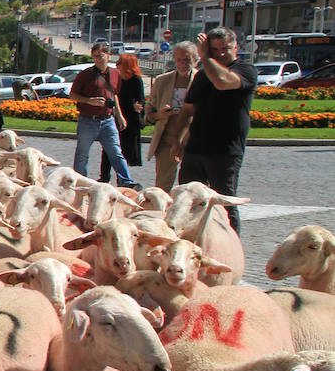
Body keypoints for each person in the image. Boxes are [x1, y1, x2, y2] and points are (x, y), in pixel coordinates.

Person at [176, 27, 256, 231]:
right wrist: (178, 139)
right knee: (187, 199)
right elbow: (187, 110)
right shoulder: (202, 76)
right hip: (195, 148)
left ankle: (231, 246)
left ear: (236, 46)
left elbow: (222, 82)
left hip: (225, 150)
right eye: (215, 49)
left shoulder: (246, 70)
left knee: (225, 202)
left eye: (225, 48)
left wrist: (205, 57)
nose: (220, 53)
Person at [70, 43, 139, 189]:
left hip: (108, 120)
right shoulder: (85, 74)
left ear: (108, 55)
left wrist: (119, 116)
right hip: (88, 120)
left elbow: (114, 95)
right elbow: (72, 95)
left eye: (100, 56)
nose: (97, 60)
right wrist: (89, 101)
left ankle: (126, 181)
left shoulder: (115, 74)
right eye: (95, 56)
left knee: (115, 151)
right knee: (82, 154)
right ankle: (81, 181)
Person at [146, 41, 199, 190]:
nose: (182, 64)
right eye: (178, 60)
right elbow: (148, 115)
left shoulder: (201, 80)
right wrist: (159, 115)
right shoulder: (162, 81)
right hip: (166, 140)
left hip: (192, 142)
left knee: (192, 188)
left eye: (187, 59)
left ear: (195, 60)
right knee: (162, 187)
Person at [102, 53, 144, 180]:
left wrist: (138, 106)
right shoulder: (116, 78)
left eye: (120, 62)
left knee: (124, 150)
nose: (117, 65)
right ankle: (104, 176)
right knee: (109, 147)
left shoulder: (136, 80)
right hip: (116, 116)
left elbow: (140, 99)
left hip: (130, 118)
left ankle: (122, 178)